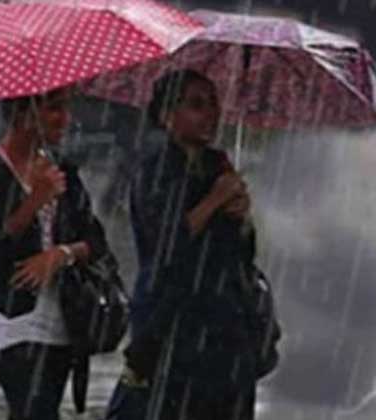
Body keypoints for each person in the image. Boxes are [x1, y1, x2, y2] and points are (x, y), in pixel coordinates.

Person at [106, 69, 261, 420]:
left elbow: (243, 254)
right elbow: (167, 245)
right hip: (171, 326)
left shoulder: (219, 168)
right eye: (196, 104)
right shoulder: (155, 171)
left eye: (213, 104)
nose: (210, 114)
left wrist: (242, 217)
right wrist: (214, 200)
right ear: (167, 116)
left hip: (226, 326)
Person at [0, 88, 115, 420]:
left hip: (63, 321)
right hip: (13, 322)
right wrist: (34, 201)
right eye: (54, 109)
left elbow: (96, 241)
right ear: (22, 113)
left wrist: (60, 254)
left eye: (66, 108)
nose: (65, 119)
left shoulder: (62, 170)